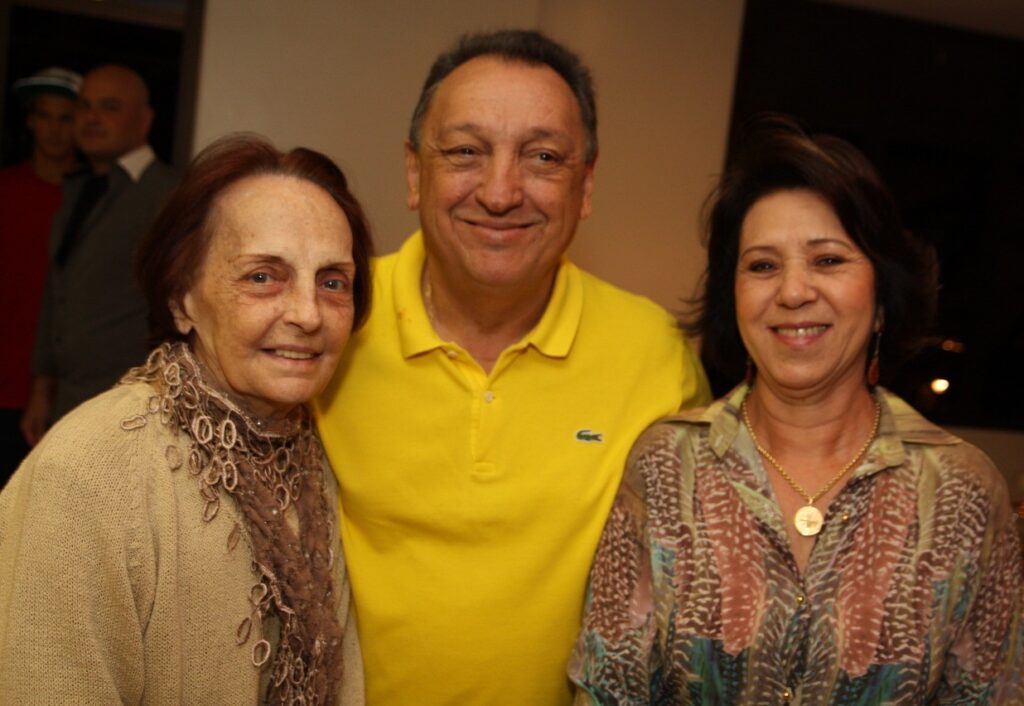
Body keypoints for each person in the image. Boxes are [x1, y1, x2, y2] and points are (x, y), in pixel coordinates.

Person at [314, 29, 709, 705]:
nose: (500, 192)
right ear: (415, 173)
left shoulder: (655, 355)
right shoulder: (330, 325)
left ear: (585, 185)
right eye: (466, 151)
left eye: (543, 157)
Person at [570, 116, 1024, 703]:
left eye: (828, 260)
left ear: (883, 298)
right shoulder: (665, 467)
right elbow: (609, 693)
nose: (792, 291)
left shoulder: (962, 490)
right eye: (762, 265)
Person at [0, 134, 372, 704]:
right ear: (182, 300)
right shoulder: (87, 475)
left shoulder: (314, 456)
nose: (307, 313)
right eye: (262, 276)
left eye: (332, 282)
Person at [21, 64, 178, 445]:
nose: (91, 118)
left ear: (144, 120)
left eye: (109, 107)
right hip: (69, 404)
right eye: (85, 106)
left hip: (131, 414)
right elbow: (56, 293)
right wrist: (42, 393)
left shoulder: (169, 195)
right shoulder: (79, 190)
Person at [0, 67, 80, 481]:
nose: (54, 129)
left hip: (64, 386)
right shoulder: (6, 189)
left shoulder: (89, 199)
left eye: (65, 118)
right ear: (30, 121)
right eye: (45, 116)